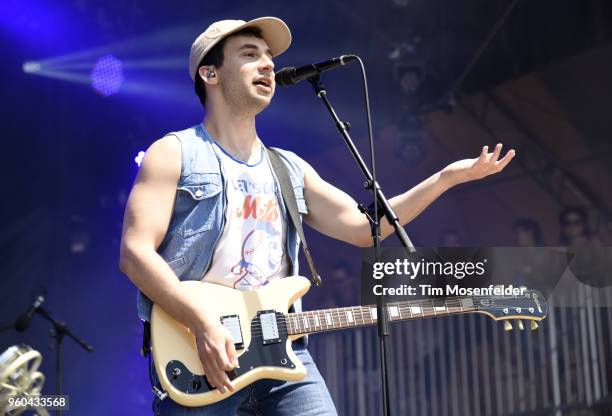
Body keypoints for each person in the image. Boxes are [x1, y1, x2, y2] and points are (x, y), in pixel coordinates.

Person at [118, 17, 516, 415]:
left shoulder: (289, 168)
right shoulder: (174, 153)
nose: (268, 65)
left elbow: (366, 228)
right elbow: (135, 253)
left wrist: (445, 179)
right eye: (250, 54)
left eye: (270, 57)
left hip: (283, 352)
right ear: (210, 73)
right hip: (200, 350)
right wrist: (200, 320)